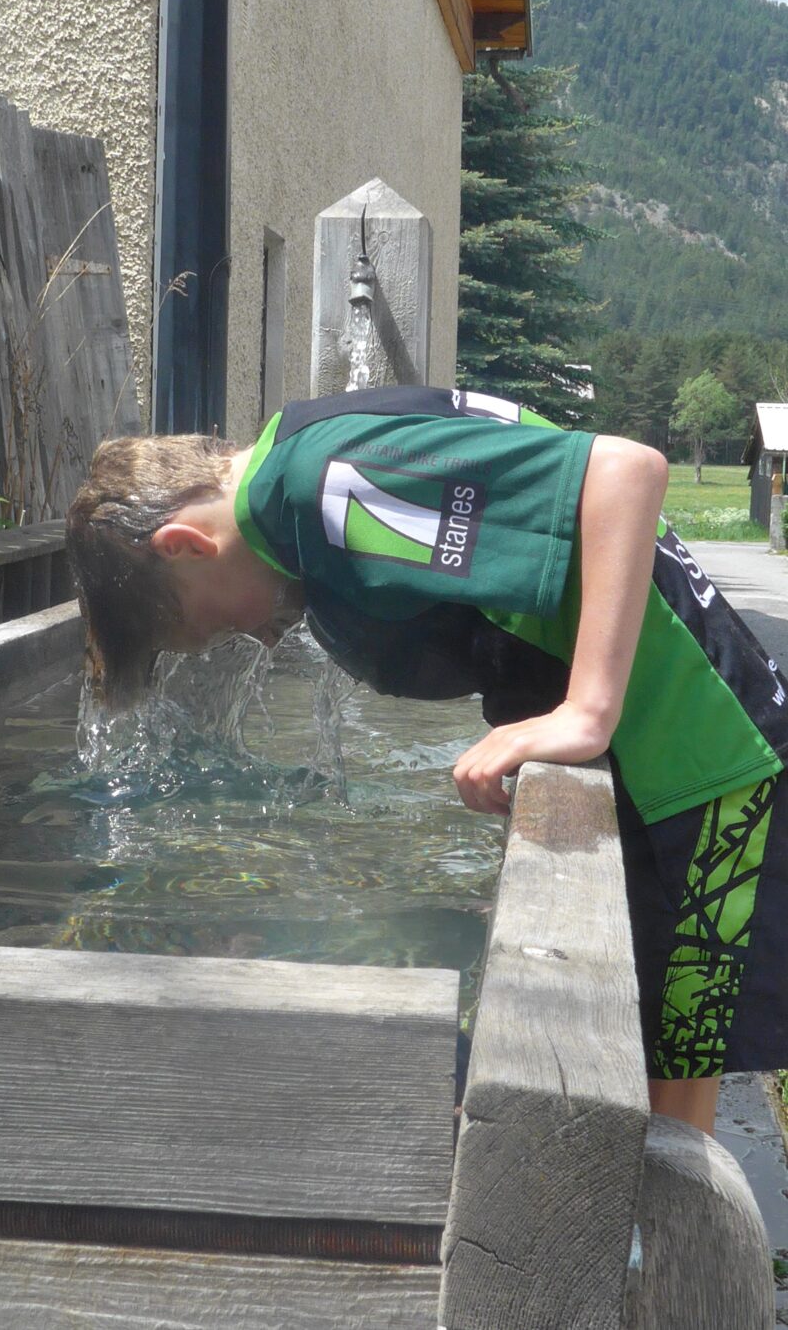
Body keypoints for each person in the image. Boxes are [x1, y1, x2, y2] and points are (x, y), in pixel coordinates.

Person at [66, 384, 788, 1137]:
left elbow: (624, 472)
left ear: (184, 544)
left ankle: (676, 1248)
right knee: (648, 1053)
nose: (261, 640)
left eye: (214, 627)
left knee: (674, 1095)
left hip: (704, 768)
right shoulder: (298, 455)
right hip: (679, 756)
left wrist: (587, 709)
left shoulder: (323, 486)